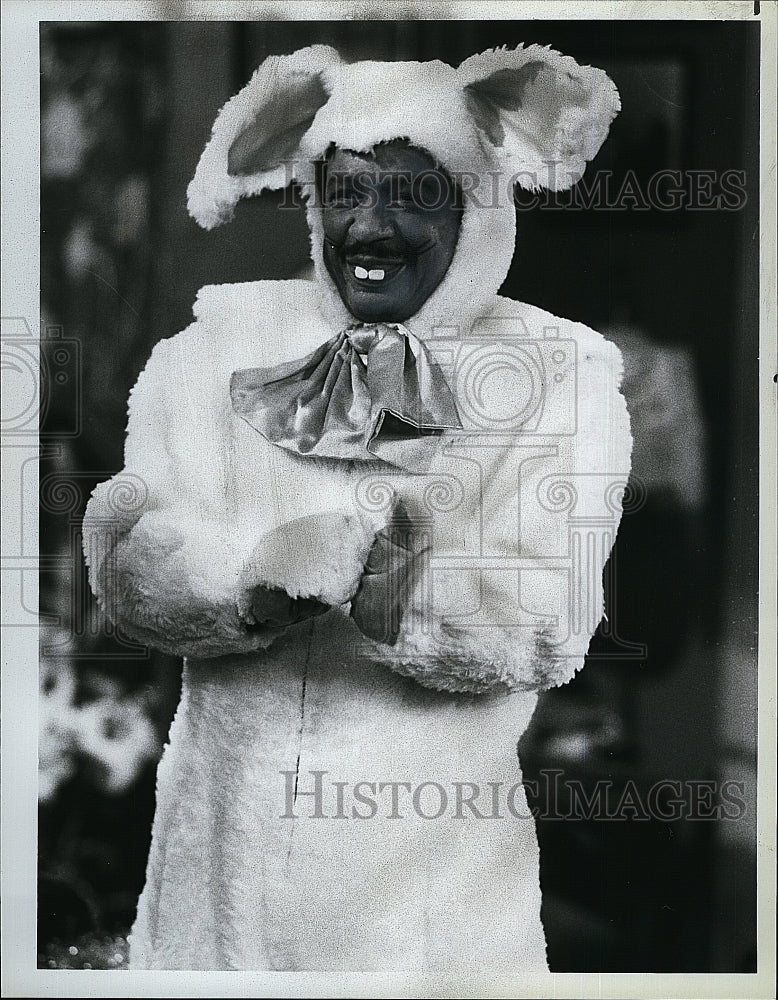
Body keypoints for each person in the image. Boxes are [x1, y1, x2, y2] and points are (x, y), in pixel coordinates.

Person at [83, 43, 632, 984]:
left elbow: (551, 621)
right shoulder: (213, 349)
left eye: (415, 195)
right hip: (212, 898)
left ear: (475, 203)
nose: (370, 226)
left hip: (425, 919)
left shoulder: (561, 379)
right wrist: (248, 578)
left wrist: (402, 596)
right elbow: (130, 558)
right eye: (346, 192)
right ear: (312, 199)